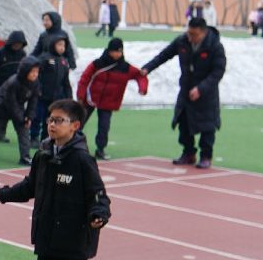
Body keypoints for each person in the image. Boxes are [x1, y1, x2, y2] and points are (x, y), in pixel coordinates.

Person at [0, 99, 111, 260]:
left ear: (75, 126)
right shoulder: (43, 154)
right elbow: (30, 186)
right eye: (50, 120)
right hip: (46, 229)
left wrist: (99, 213)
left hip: (73, 234)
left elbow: (98, 194)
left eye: (59, 120)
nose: (52, 125)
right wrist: (4, 193)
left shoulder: (82, 159)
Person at [140, 16, 227, 169]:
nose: (191, 37)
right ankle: (188, 153)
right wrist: (147, 68)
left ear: (204, 32)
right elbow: (164, 55)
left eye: (195, 35)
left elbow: (218, 72)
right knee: (184, 123)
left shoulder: (215, 46)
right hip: (186, 89)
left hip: (206, 93)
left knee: (207, 126)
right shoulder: (182, 41)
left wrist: (201, 88)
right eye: (189, 33)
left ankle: (206, 156)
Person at [76, 38, 148, 160]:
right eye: (115, 51)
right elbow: (84, 79)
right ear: (109, 51)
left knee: (104, 127)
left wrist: (142, 88)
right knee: (78, 123)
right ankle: (73, 146)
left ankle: (100, 150)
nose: (117, 54)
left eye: (120, 51)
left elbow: (140, 76)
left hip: (108, 102)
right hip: (90, 98)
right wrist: (80, 96)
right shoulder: (97, 64)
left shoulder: (126, 67)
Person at [0, 58, 40, 165]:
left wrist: (29, 117)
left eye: (37, 71)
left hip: (18, 106)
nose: (35, 74)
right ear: (25, 71)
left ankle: (25, 157)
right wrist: (21, 118)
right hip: (2, 107)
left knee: (24, 131)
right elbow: (11, 103)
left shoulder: (35, 83)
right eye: (33, 71)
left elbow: (33, 101)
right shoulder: (13, 82)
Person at [31, 35, 73, 142]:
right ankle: (33, 137)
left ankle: (45, 139)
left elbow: (66, 82)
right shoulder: (44, 58)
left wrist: (69, 97)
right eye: (59, 45)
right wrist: (38, 90)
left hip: (55, 99)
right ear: (53, 45)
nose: (62, 47)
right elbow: (37, 76)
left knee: (50, 119)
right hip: (41, 96)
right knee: (37, 117)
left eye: (64, 45)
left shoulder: (64, 61)